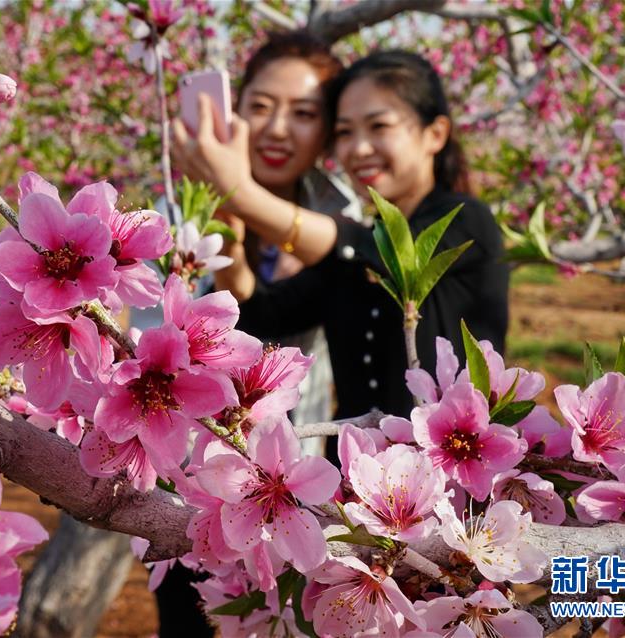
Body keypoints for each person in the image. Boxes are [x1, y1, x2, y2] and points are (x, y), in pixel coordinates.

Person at [174, 50, 509, 451]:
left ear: (434, 134)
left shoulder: (466, 220)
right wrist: (227, 216)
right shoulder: (351, 260)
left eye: (378, 126)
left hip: (452, 472)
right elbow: (258, 313)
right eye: (346, 132)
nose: (359, 148)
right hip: (355, 489)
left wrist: (243, 194)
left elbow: (374, 252)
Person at [157, 32, 360, 637]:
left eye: (303, 114)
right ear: (236, 113)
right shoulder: (181, 210)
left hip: (295, 473)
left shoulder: (345, 216)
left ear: (327, 132)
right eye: (261, 106)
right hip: (192, 473)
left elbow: (279, 317)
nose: (278, 129)